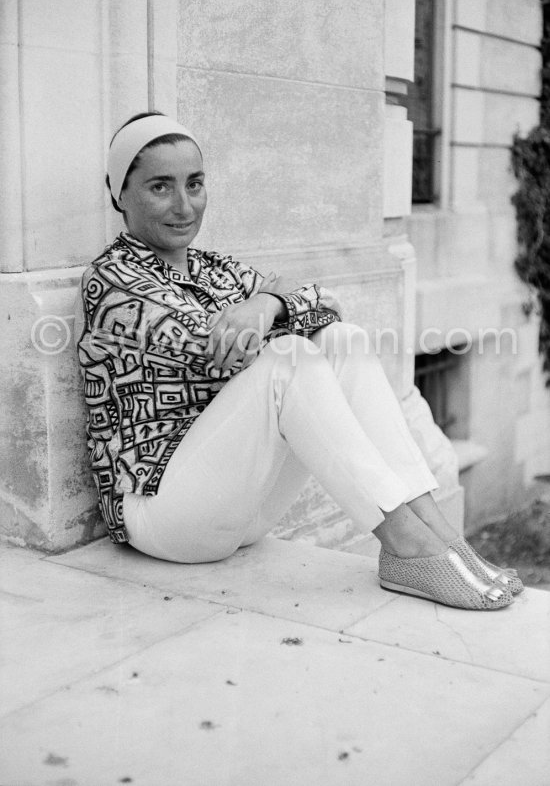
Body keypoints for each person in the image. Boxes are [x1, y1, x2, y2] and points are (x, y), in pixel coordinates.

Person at [76, 112, 522, 610]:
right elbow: (219, 346)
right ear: (119, 194)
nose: (184, 205)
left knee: (343, 340)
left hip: (239, 506)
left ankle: (439, 535)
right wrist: (277, 305)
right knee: (289, 355)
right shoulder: (111, 279)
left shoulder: (215, 267)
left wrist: (269, 304)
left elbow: (327, 305)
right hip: (162, 514)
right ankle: (406, 545)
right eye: (161, 187)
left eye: (195, 184)